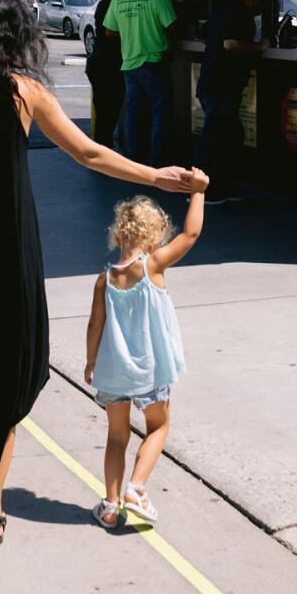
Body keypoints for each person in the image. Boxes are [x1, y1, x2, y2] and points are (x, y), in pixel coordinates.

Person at [0, 0, 206, 546]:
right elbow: (89, 153)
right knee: (4, 364)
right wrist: (155, 177)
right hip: (9, 245)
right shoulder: (26, 92)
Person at [84, 192, 201, 529]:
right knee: (159, 427)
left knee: (116, 437)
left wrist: (91, 362)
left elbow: (95, 325)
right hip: (150, 371)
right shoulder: (153, 266)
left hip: (114, 371)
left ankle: (110, 505)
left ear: (120, 234)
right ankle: (136, 488)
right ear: (153, 237)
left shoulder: (104, 278)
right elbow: (191, 234)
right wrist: (199, 192)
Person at [194, 0, 262, 204]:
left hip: (211, 82)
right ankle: (202, 189)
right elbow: (230, 44)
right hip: (222, 85)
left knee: (231, 135)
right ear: (250, 0)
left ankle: (226, 185)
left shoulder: (220, 12)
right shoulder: (242, 17)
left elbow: (201, 36)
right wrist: (259, 47)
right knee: (215, 137)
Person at [103, 0, 178, 167]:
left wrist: (130, 32)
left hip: (129, 63)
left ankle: (133, 158)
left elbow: (109, 31)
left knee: (132, 113)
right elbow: (173, 27)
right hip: (154, 62)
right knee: (160, 111)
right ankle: (157, 159)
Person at [86, 0, 128, 148]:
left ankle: (102, 144)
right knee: (111, 108)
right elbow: (110, 33)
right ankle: (103, 146)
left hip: (98, 63)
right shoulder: (115, 4)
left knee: (103, 108)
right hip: (110, 65)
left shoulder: (103, 3)